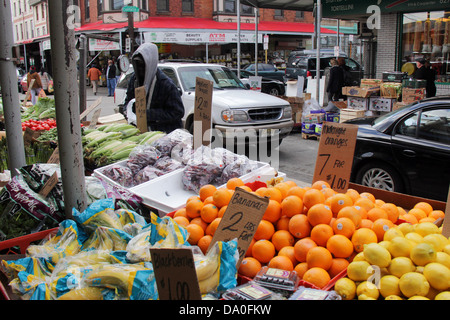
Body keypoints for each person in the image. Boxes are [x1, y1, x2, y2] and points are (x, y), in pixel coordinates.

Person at [123, 43, 184, 133]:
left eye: (142, 65)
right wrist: (127, 111)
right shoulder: (134, 79)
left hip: (163, 134)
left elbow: (177, 112)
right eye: (137, 65)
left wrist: (147, 114)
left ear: (150, 63)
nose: (139, 69)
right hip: (140, 131)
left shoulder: (166, 85)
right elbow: (128, 100)